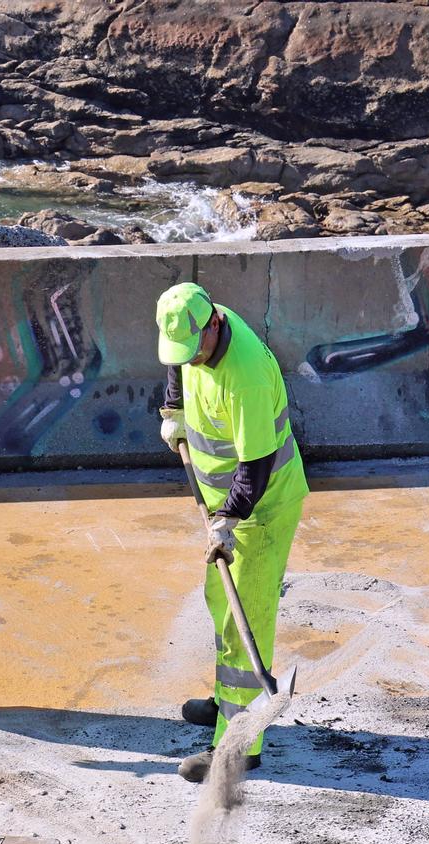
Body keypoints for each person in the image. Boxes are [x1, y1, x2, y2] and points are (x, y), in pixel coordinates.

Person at [154, 282, 309, 784]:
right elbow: (177, 363)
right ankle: (227, 702)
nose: (189, 359)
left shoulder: (245, 379)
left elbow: (257, 463)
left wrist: (229, 519)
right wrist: (174, 410)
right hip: (225, 504)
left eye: (194, 349)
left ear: (214, 326)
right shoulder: (194, 325)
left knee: (247, 624)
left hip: (260, 510)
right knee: (221, 604)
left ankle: (239, 745)